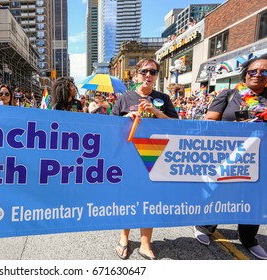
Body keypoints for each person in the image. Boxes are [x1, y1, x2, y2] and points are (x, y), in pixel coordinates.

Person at [193, 54, 267, 260]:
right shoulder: (229, 94)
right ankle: (204, 226)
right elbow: (210, 121)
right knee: (219, 192)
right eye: (254, 71)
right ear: (246, 74)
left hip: (260, 161)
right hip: (227, 156)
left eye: (264, 72)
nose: (258, 75)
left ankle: (249, 239)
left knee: (255, 199)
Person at [111, 58, 179, 260]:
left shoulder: (163, 99)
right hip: (128, 157)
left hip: (154, 156)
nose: (148, 75)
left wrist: (157, 112)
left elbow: (176, 124)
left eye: (153, 72)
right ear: (136, 75)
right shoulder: (124, 98)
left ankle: (145, 243)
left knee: (149, 199)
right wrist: (126, 118)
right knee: (127, 197)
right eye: (144, 71)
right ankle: (124, 238)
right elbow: (109, 125)